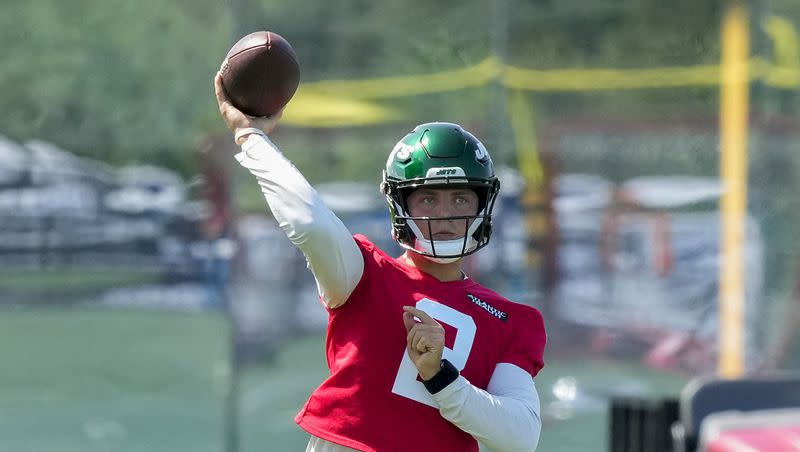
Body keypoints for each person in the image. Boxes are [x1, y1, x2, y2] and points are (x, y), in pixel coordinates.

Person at [214, 73, 547, 452]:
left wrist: (440, 377)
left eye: (460, 199)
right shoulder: (363, 274)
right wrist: (252, 137)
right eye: (428, 199)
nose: (445, 214)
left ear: (482, 205)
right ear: (399, 204)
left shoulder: (509, 320)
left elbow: (520, 437)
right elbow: (309, 221)